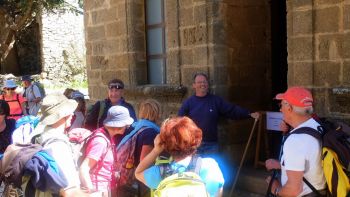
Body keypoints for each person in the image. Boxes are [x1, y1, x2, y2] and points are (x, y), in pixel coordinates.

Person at [135, 116, 225, 197]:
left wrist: (156, 150)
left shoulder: (160, 173)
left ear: (165, 144)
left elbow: (138, 173)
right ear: (196, 140)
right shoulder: (210, 166)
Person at [265, 86, 326, 196]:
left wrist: (276, 189)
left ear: (289, 108)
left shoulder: (296, 140)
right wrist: (281, 165)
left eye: (281, 105)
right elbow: (311, 162)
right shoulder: (317, 126)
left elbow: (294, 190)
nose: (280, 109)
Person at [178, 72, 259, 155]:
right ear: (194, 85)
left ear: (207, 84)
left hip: (211, 145)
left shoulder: (215, 100)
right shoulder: (188, 103)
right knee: (194, 168)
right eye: (199, 82)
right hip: (193, 145)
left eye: (204, 82)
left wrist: (248, 113)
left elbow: (232, 110)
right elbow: (180, 121)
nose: (202, 84)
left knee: (211, 167)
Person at [28, 93, 87, 196]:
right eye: (69, 112)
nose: (72, 114)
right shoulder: (58, 145)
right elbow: (69, 191)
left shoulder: (38, 135)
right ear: (62, 115)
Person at [79, 106, 134, 196]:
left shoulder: (107, 136)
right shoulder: (100, 142)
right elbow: (84, 168)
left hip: (103, 188)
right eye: (126, 125)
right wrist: (92, 192)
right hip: (97, 189)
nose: (127, 127)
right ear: (118, 126)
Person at [115, 99, 161, 196]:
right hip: (139, 178)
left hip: (126, 173)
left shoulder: (135, 127)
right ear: (156, 113)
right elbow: (144, 161)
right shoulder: (150, 132)